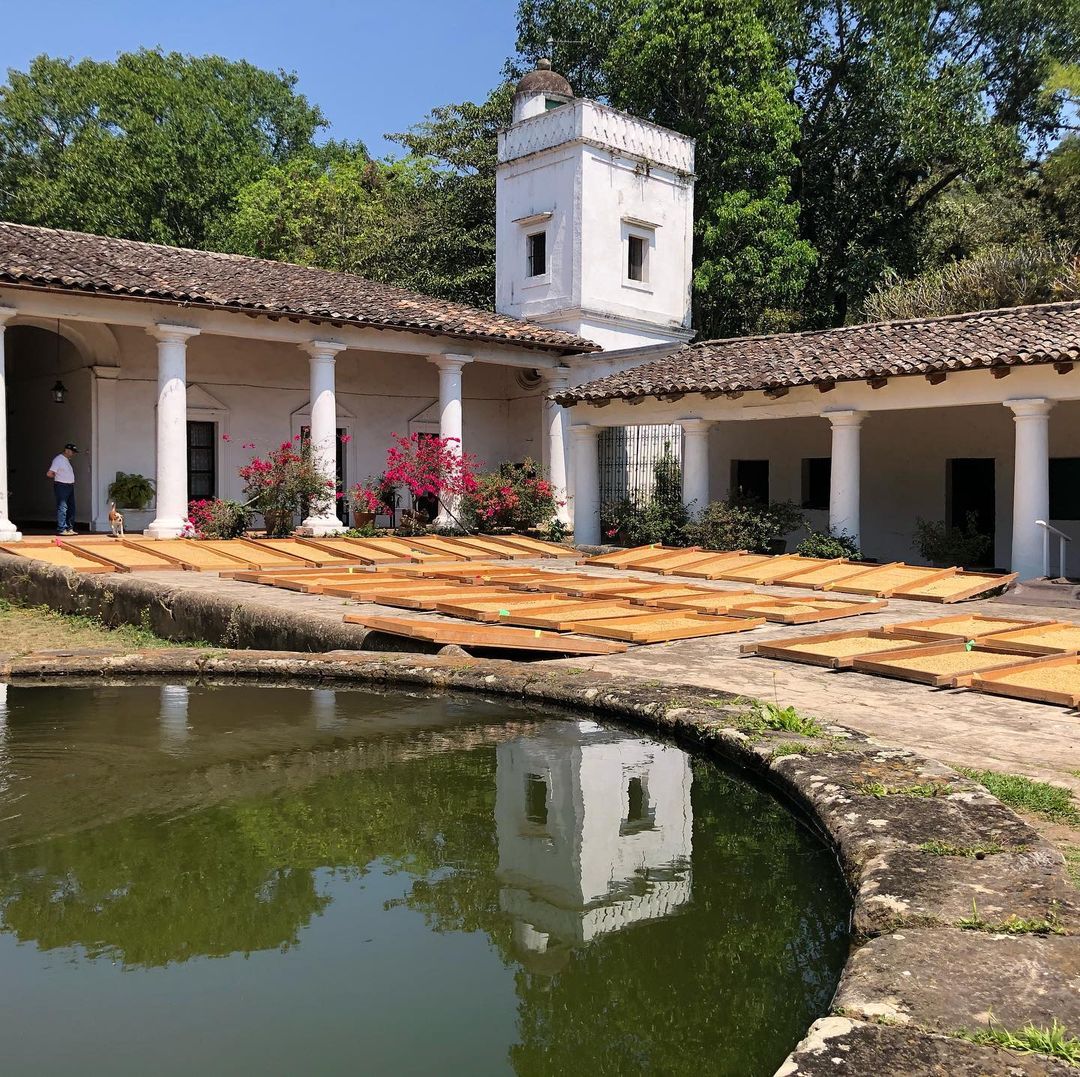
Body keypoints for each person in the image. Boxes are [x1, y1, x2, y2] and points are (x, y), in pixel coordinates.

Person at [47, 443, 79, 536]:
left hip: (69, 486)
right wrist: (59, 477)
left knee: (71, 507)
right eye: (72, 452)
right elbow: (49, 473)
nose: (73, 454)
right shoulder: (58, 460)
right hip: (62, 486)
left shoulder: (66, 460)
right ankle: (62, 528)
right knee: (63, 507)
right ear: (67, 450)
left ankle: (69, 528)